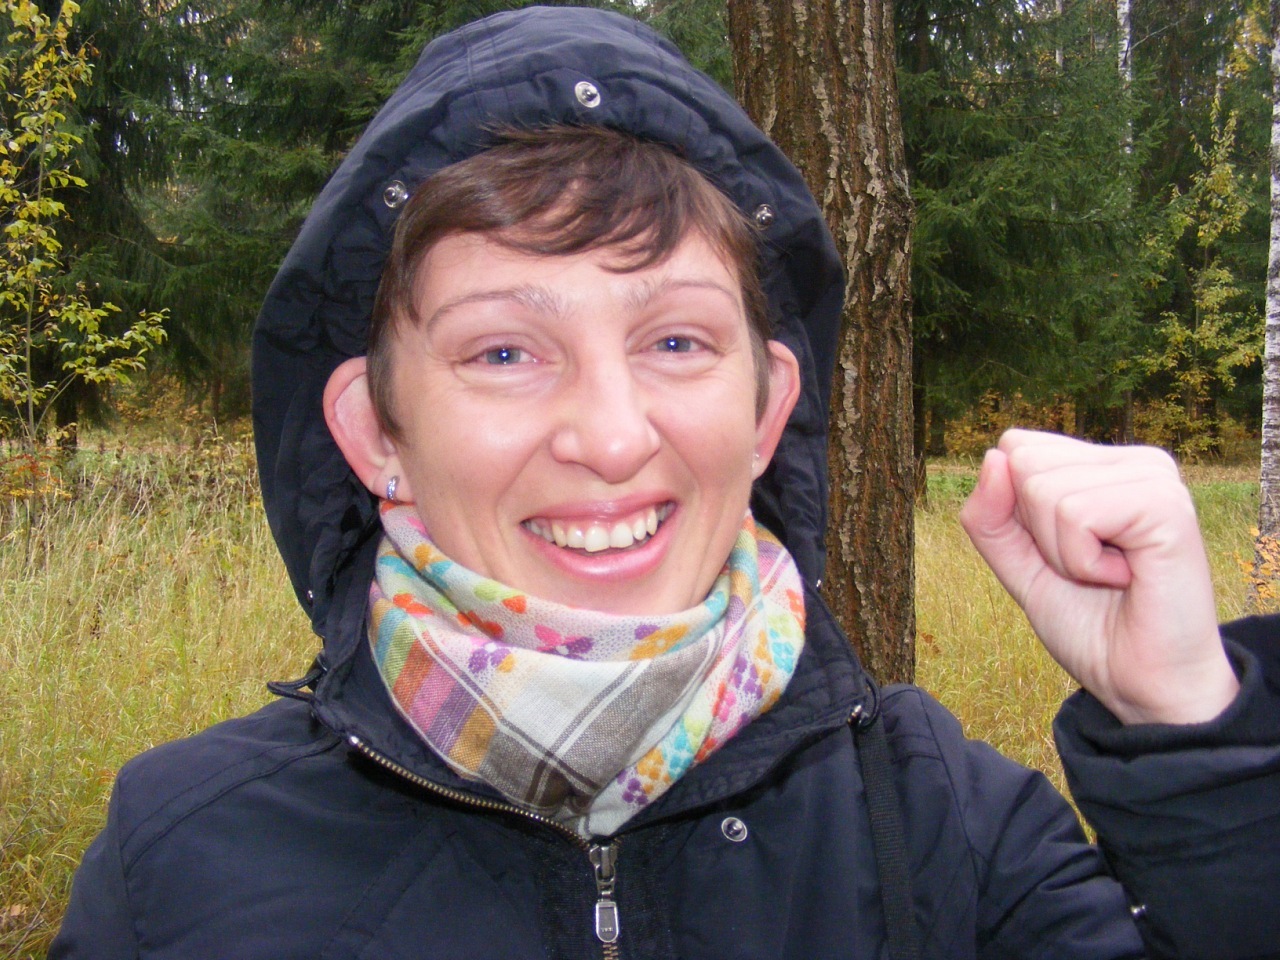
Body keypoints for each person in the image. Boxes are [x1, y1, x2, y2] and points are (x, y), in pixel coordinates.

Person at [51, 7, 1280, 959]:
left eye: (676, 341)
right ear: (376, 434)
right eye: (503, 353)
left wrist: (1187, 725)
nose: (609, 436)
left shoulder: (945, 833)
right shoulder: (183, 867)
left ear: (766, 412)